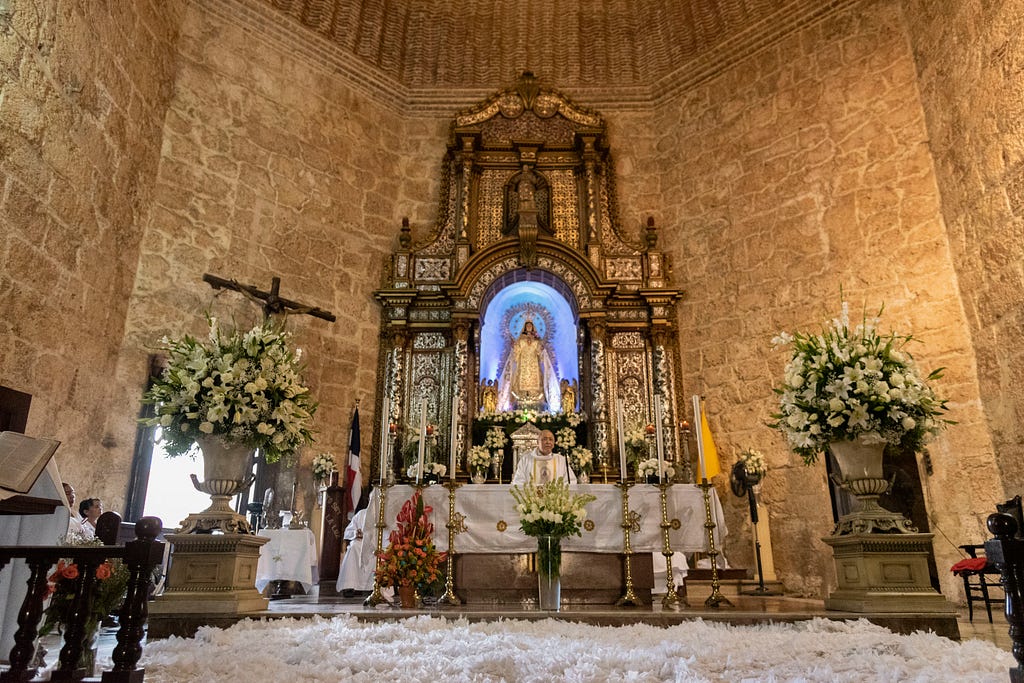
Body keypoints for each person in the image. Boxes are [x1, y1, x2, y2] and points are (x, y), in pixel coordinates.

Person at [497, 319, 560, 412]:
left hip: (534, 364)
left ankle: (537, 401)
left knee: (536, 381)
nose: (529, 327)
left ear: (533, 327)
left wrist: (541, 348)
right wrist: (514, 347)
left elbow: (540, 353)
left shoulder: (536, 339)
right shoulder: (520, 339)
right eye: (527, 326)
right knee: (521, 381)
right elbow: (516, 353)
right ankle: (520, 400)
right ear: (525, 327)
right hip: (523, 364)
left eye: (531, 326)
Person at [511, 430, 577, 486]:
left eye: (551, 439)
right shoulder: (526, 460)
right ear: (537, 442)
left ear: (554, 443)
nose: (548, 442)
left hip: (555, 499)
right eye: (544, 439)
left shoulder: (561, 460)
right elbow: (518, 481)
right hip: (531, 499)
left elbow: (570, 481)